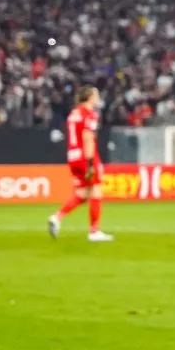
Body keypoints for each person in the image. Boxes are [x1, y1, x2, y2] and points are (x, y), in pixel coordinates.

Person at [48, 86, 112, 242]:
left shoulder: (73, 114)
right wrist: (91, 164)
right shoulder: (90, 114)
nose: (98, 98)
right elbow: (87, 137)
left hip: (73, 156)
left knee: (83, 194)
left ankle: (57, 217)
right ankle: (94, 231)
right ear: (90, 97)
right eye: (96, 95)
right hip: (85, 157)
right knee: (96, 191)